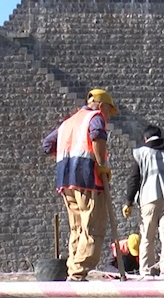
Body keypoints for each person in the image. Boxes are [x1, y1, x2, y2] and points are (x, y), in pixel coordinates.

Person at [41, 89, 119, 281]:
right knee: (93, 227)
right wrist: (101, 165)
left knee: (77, 228)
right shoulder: (95, 117)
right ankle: (78, 273)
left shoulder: (69, 122)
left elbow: (47, 145)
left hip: (66, 182)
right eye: (109, 111)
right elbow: (97, 135)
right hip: (88, 179)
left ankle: (72, 269)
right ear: (101, 106)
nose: (108, 116)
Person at [123, 125, 164, 280]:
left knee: (147, 235)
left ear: (145, 138)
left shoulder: (141, 152)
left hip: (149, 198)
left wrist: (129, 201)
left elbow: (134, 179)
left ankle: (146, 272)